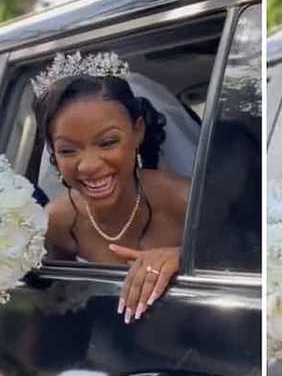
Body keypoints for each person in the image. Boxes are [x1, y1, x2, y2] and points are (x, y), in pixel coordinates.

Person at [32, 52, 190, 325]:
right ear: (53, 154)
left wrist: (182, 257)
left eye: (107, 143)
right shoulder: (58, 220)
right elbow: (51, 301)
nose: (89, 166)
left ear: (137, 131)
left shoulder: (186, 200)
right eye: (68, 150)